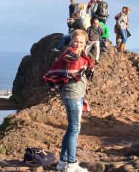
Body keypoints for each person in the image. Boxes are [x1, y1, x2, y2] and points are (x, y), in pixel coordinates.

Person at [44, 29, 94, 172]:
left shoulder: (81, 55)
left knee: (71, 128)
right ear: (71, 41)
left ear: (85, 43)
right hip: (72, 95)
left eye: (81, 42)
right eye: (76, 41)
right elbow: (70, 71)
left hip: (76, 95)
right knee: (75, 129)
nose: (78, 44)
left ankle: (63, 161)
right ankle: (71, 163)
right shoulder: (69, 55)